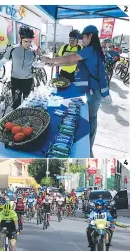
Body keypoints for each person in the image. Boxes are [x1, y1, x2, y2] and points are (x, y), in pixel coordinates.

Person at [41, 25, 111, 157]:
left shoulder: (90, 50)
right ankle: (87, 144)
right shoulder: (91, 50)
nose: (81, 40)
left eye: (83, 37)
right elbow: (70, 62)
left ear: (90, 36)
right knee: (88, 117)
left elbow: (69, 58)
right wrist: (55, 64)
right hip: (90, 90)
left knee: (91, 118)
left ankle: (88, 148)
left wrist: (50, 59)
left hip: (94, 92)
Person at [0, 26, 41, 109]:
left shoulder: (32, 52)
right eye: (25, 41)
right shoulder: (12, 49)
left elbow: (33, 64)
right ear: (21, 39)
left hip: (28, 81)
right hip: (16, 81)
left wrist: (40, 64)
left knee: (27, 103)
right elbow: (3, 61)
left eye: (30, 42)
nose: (28, 44)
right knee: (16, 104)